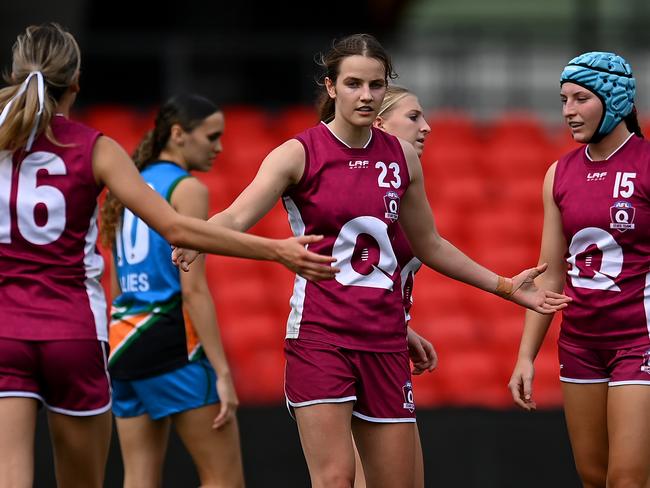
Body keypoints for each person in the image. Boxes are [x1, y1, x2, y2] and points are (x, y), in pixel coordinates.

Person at [173, 33, 570, 488]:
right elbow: (239, 213)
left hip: (384, 343)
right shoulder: (298, 153)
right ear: (330, 87)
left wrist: (503, 285)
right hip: (321, 338)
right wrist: (199, 235)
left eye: (376, 85)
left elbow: (430, 245)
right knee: (336, 478)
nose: (365, 95)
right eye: (354, 84)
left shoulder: (401, 157)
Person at [0, 23, 335, 488]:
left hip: (22, 329)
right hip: (79, 332)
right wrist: (275, 249)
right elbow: (178, 232)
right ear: (76, 83)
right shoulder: (96, 149)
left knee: (13, 473)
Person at [508, 51, 650, 488]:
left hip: (640, 341)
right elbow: (550, 275)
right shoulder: (559, 173)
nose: (568, 111)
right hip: (581, 342)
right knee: (594, 478)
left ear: (616, 100)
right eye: (564, 99)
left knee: (626, 479)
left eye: (580, 98)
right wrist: (525, 357)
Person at [100, 94, 245, 487]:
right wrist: (222, 371)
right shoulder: (187, 189)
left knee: (139, 477)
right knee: (224, 477)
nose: (219, 147)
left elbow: (115, 282)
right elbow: (193, 289)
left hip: (124, 342)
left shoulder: (126, 183)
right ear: (179, 134)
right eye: (211, 136)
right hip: (171, 341)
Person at [351, 84, 435, 488]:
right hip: (355, 353)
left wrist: (402, 327)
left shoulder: (400, 183)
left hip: (387, 348)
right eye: (414, 117)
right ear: (380, 123)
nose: (427, 127)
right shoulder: (360, 189)